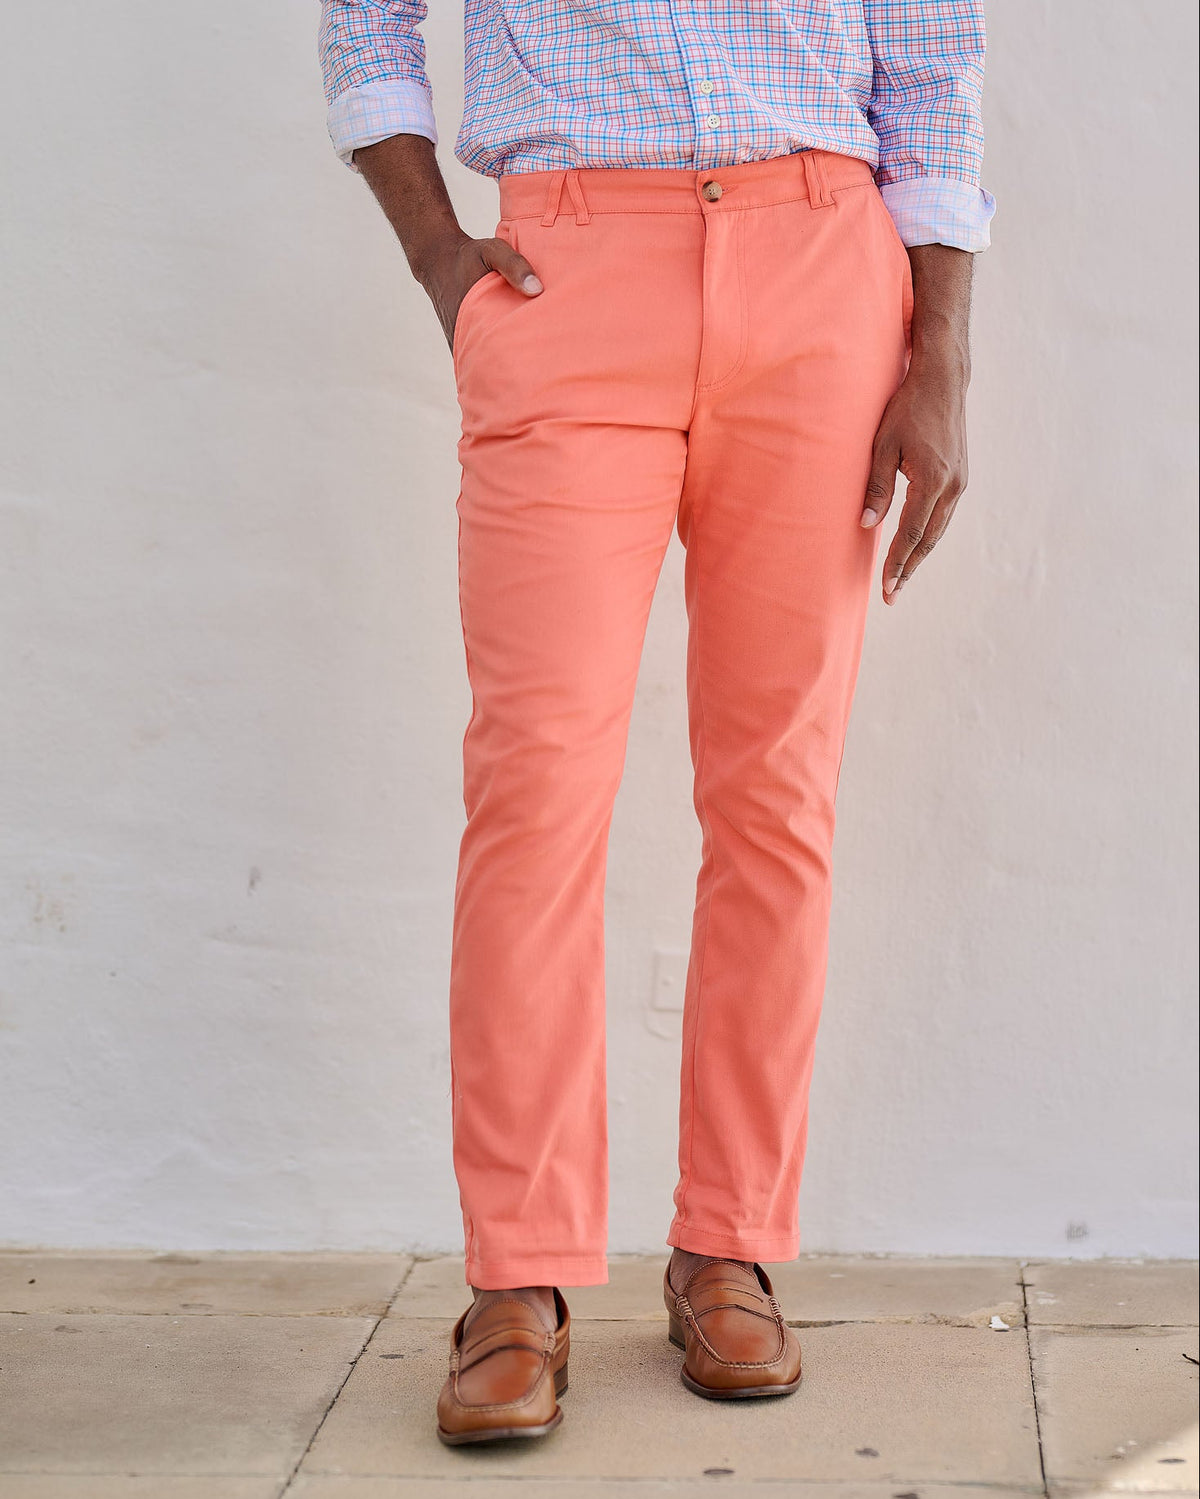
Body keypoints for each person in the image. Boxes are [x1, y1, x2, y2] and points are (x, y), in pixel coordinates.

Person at [319, 0, 994, 1446]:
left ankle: (730, 1241)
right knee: (534, 788)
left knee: (775, 794)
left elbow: (931, 60)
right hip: (571, 275)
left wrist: (942, 348)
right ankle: (518, 1274)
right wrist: (441, 253)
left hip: (823, 271)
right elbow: (365, 25)